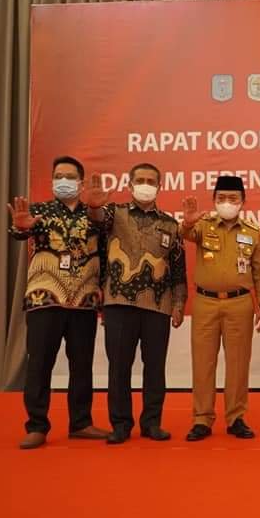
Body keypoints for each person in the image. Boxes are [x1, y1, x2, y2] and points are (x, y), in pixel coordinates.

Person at [8, 156, 109, 449]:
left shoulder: (96, 215)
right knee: (40, 363)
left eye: (69, 176)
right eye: (58, 176)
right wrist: (21, 228)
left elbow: (106, 252)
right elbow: (20, 231)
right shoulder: (39, 211)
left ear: (80, 182)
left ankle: (81, 422)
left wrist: (103, 291)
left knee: (82, 365)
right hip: (45, 298)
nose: (63, 181)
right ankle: (37, 425)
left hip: (84, 300)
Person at [82, 163, 187, 444]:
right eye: (140, 180)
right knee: (119, 367)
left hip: (158, 306)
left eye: (151, 181)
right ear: (129, 185)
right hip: (118, 303)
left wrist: (179, 303)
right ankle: (120, 424)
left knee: (155, 368)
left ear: (159, 186)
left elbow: (178, 268)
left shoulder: (170, 224)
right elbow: (96, 221)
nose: (145, 185)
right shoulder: (113, 213)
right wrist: (93, 207)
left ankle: (152, 423)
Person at [179, 176, 260, 442]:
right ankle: (202, 419)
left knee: (238, 363)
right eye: (221, 198)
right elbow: (184, 234)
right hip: (205, 302)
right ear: (214, 200)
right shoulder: (202, 225)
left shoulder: (252, 232)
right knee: (203, 363)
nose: (227, 203)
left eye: (233, 198)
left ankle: (236, 417)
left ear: (243, 201)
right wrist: (188, 222)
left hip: (240, 303)